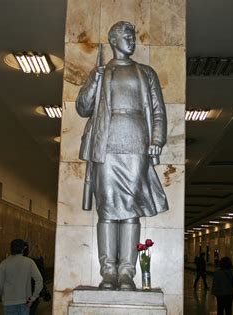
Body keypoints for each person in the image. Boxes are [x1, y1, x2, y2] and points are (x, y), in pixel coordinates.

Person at [76, 21, 168, 291]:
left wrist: (157, 140)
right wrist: (95, 78)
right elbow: (83, 108)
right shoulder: (102, 72)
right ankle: (108, 272)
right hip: (105, 146)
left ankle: (126, 272)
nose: (132, 40)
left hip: (137, 144)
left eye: (134, 36)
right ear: (114, 40)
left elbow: (158, 110)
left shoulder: (145, 72)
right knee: (106, 210)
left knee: (131, 211)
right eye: (126, 36)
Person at [0, 239, 43, 315]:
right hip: (25, 302)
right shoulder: (29, 262)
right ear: (23, 249)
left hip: (8, 302)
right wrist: (33, 297)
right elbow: (39, 280)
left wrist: (5, 294)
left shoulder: (4, 263)